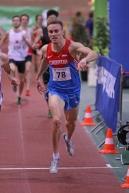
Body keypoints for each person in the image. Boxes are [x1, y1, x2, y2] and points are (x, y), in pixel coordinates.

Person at [36, 19, 98, 174]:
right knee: (57, 121)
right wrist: (38, 77)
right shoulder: (46, 48)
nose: (53, 34)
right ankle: (55, 157)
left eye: (56, 31)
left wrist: (84, 59)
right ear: (48, 34)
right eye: (50, 32)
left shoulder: (72, 46)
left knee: (71, 123)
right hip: (55, 89)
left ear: (62, 31)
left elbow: (93, 53)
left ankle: (68, 139)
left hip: (73, 91)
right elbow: (45, 61)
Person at [0, 15, 30, 105]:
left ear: (20, 22)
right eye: (14, 21)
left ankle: (19, 96)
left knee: (22, 80)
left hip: (22, 58)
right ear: (12, 22)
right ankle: (12, 80)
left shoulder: (24, 33)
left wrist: (29, 43)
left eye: (17, 21)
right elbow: (2, 40)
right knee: (11, 69)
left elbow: (29, 45)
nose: (16, 22)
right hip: (12, 56)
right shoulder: (9, 32)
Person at [20, 14, 33, 97]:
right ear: (21, 21)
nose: (24, 21)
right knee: (22, 73)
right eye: (23, 19)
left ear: (28, 21)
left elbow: (32, 42)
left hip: (28, 52)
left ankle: (28, 89)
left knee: (28, 69)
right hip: (19, 55)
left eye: (26, 19)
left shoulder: (30, 30)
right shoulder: (17, 31)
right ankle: (22, 80)